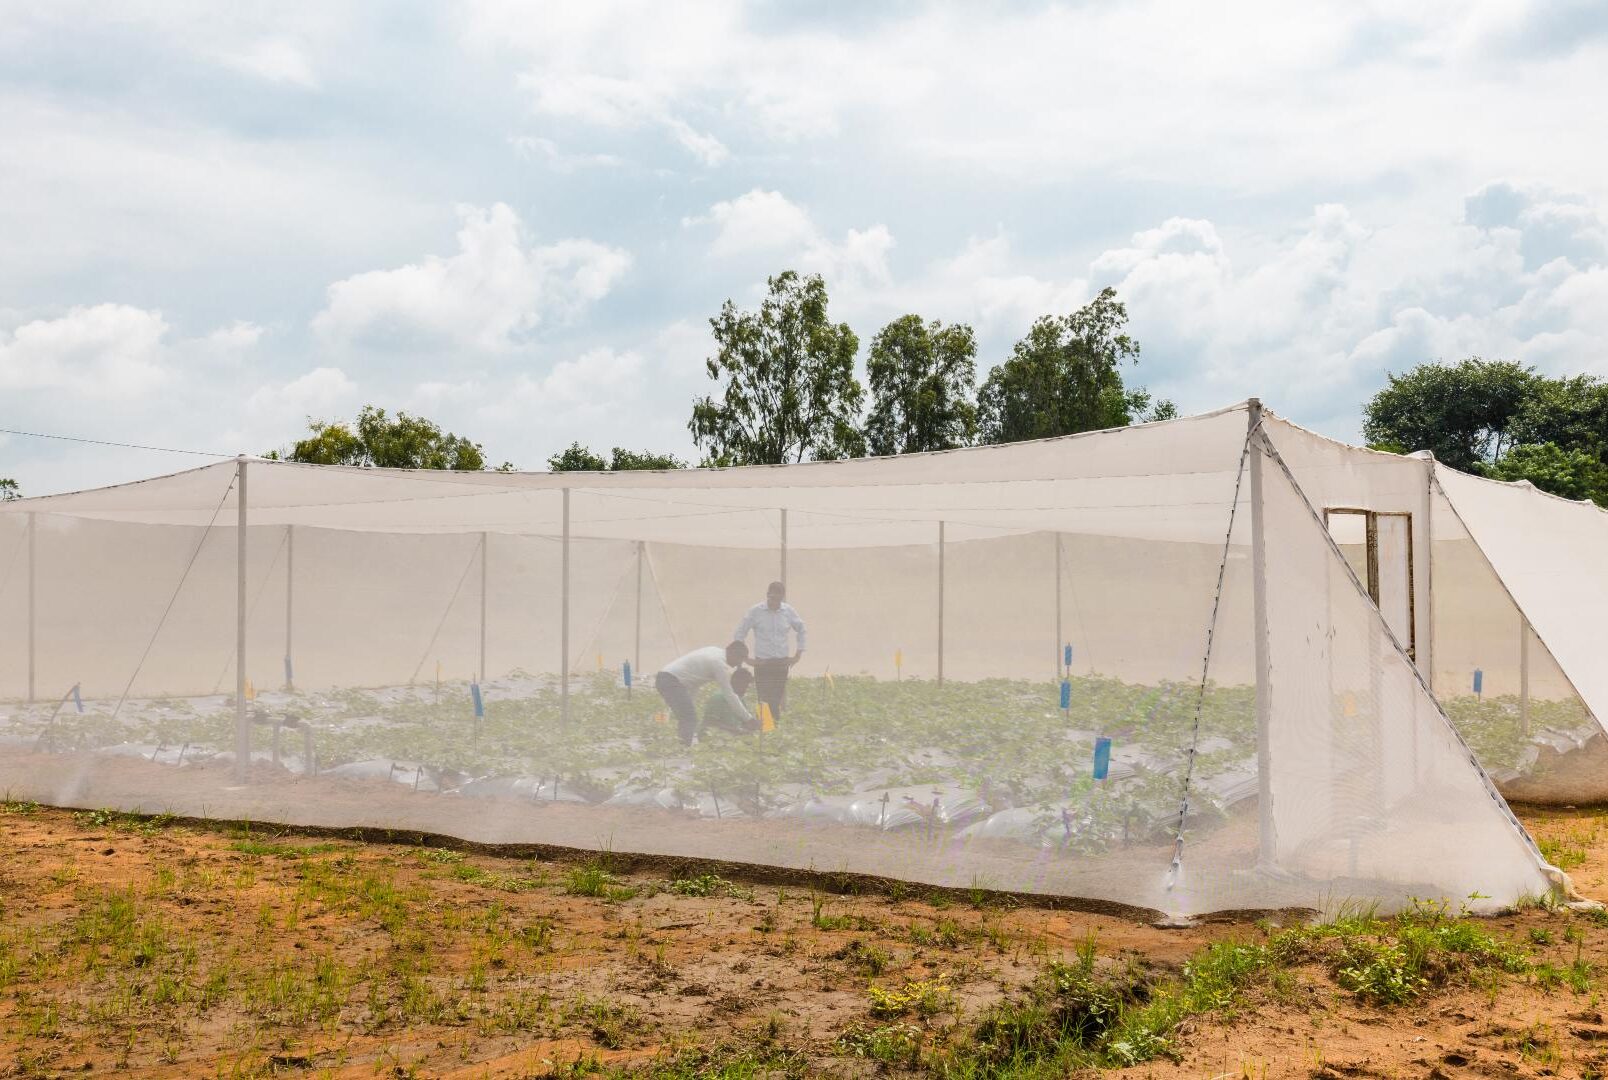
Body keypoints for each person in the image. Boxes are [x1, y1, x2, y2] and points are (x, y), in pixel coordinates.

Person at [732, 580, 806, 723]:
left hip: (781, 663)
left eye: (778, 599)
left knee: (776, 698)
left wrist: (798, 654)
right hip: (763, 663)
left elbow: (802, 629)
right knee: (764, 700)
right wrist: (746, 658)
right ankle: (764, 730)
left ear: (783, 598)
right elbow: (740, 633)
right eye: (772, 598)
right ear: (767, 595)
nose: (775, 603)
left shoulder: (788, 611)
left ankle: (773, 729)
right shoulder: (756, 611)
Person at [655, 641, 754, 745]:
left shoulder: (714, 651)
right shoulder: (718, 663)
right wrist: (748, 719)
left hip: (666, 677)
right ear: (732, 653)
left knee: (685, 715)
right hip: (670, 680)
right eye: (739, 660)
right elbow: (729, 694)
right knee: (689, 717)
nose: (737, 665)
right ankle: (683, 748)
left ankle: (674, 742)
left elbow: (694, 682)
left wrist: (690, 703)